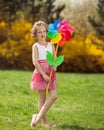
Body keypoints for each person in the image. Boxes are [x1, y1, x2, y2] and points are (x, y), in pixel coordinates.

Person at [30, 20, 57, 127]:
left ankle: (36, 117)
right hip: (41, 72)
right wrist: (44, 75)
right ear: (35, 34)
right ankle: (44, 122)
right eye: (39, 32)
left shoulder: (51, 45)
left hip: (50, 72)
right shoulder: (35, 46)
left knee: (54, 96)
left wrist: (55, 66)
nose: (42, 34)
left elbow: (54, 59)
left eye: (44, 31)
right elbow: (35, 61)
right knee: (42, 98)